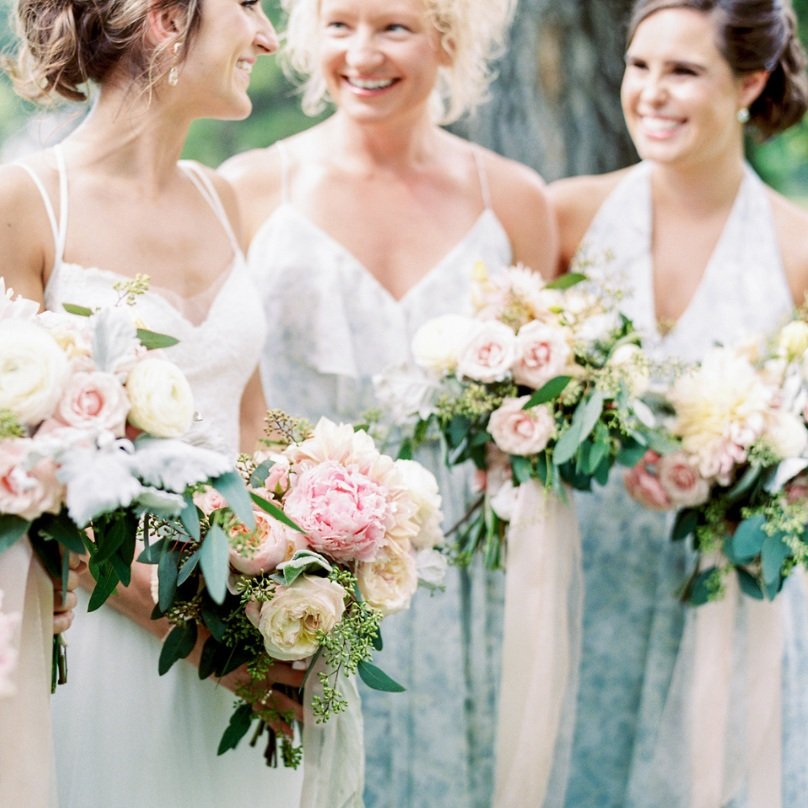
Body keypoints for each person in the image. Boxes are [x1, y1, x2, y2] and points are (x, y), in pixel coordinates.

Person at [220, 0, 557, 804]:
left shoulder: (514, 199)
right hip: (297, 568)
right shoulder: (249, 187)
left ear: (449, 37)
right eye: (339, 25)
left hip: (461, 578)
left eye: (393, 27)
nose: (361, 52)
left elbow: (534, 414)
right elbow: (225, 393)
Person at [0, 1, 305, 805]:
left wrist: (324, 544)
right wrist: (210, 643)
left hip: (247, 629)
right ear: (168, 20)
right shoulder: (25, 204)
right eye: (245, 6)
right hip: (105, 646)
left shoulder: (220, 197)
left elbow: (253, 418)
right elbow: (23, 481)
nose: (268, 36)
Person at [549, 1, 808, 805]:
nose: (652, 93)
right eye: (640, 66)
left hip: (728, 604)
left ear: (749, 82)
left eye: (684, 71)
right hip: (577, 589)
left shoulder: (797, 250)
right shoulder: (567, 215)